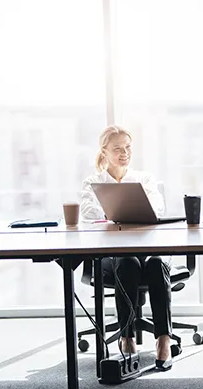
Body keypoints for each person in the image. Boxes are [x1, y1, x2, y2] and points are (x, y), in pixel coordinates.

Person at [80, 125, 174, 371]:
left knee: (155, 263)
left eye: (128, 147)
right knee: (127, 262)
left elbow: (156, 209)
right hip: (114, 255)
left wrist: (114, 212)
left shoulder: (144, 179)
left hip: (149, 249)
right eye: (118, 149)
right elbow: (89, 213)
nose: (124, 153)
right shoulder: (94, 182)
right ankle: (127, 336)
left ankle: (164, 339)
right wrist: (118, 211)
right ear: (104, 151)